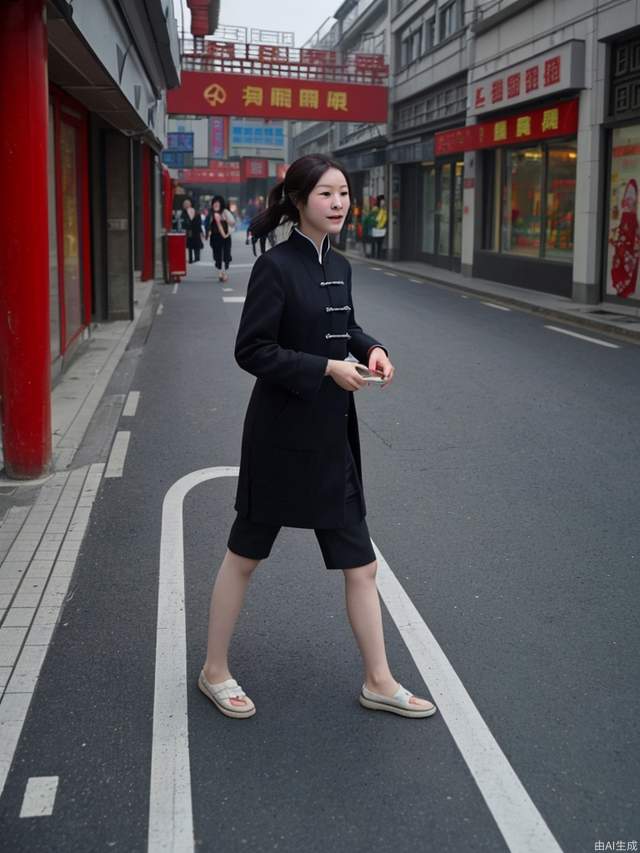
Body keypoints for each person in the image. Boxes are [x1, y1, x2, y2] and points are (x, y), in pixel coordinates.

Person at [197, 154, 437, 721]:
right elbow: (251, 350)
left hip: (332, 437)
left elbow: (345, 326)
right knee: (245, 556)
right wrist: (326, 369)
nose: (339, 203)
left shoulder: (341, 265)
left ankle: (378, 680)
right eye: (327, 193)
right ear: (299, 199)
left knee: (362, 564)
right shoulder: (275, 267)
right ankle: (214, 670)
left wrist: (370, 348)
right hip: (280, 438)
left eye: (344, 194)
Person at [609, 178, 640, 298]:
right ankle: (624, 287)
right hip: (626, 242)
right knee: (623, 264)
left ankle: (623, 287)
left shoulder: (628, 217)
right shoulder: (630, 218)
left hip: (626, 242)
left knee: (623, 263)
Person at [206, 195, 233, 282]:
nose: (216, 205)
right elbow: (207, 225)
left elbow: (233, 223)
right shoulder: (211, 214)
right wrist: (208, 232)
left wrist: (224, 219)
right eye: (214, 203)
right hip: (215, 237)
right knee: (217, 255)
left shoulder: (225, 212)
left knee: (226, 254)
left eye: (217, 203)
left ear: (221, 204)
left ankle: (224, 273)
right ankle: (220, 272)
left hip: (226, 236)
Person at [181, 198, 203, 264]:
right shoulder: (183, 213)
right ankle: (190, 259)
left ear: (190, 204)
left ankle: (197, 258)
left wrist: (200, 231)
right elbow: (183, 222)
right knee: (189, 245)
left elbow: (199, 222)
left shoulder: (195, 212)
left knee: (196, 245)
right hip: (188, 231)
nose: (185, 205)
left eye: (186, 204)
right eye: (184, 204)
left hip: (195, 231)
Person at [371, 195, 388, 259]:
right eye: (381, 202)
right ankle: (376, 255)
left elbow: (382, 219)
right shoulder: (377, 210)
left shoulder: (383, 210)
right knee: (377, 243)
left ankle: (378, 256)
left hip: (380, 228)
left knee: (379, 243)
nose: (382, 203)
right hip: (377, 228)